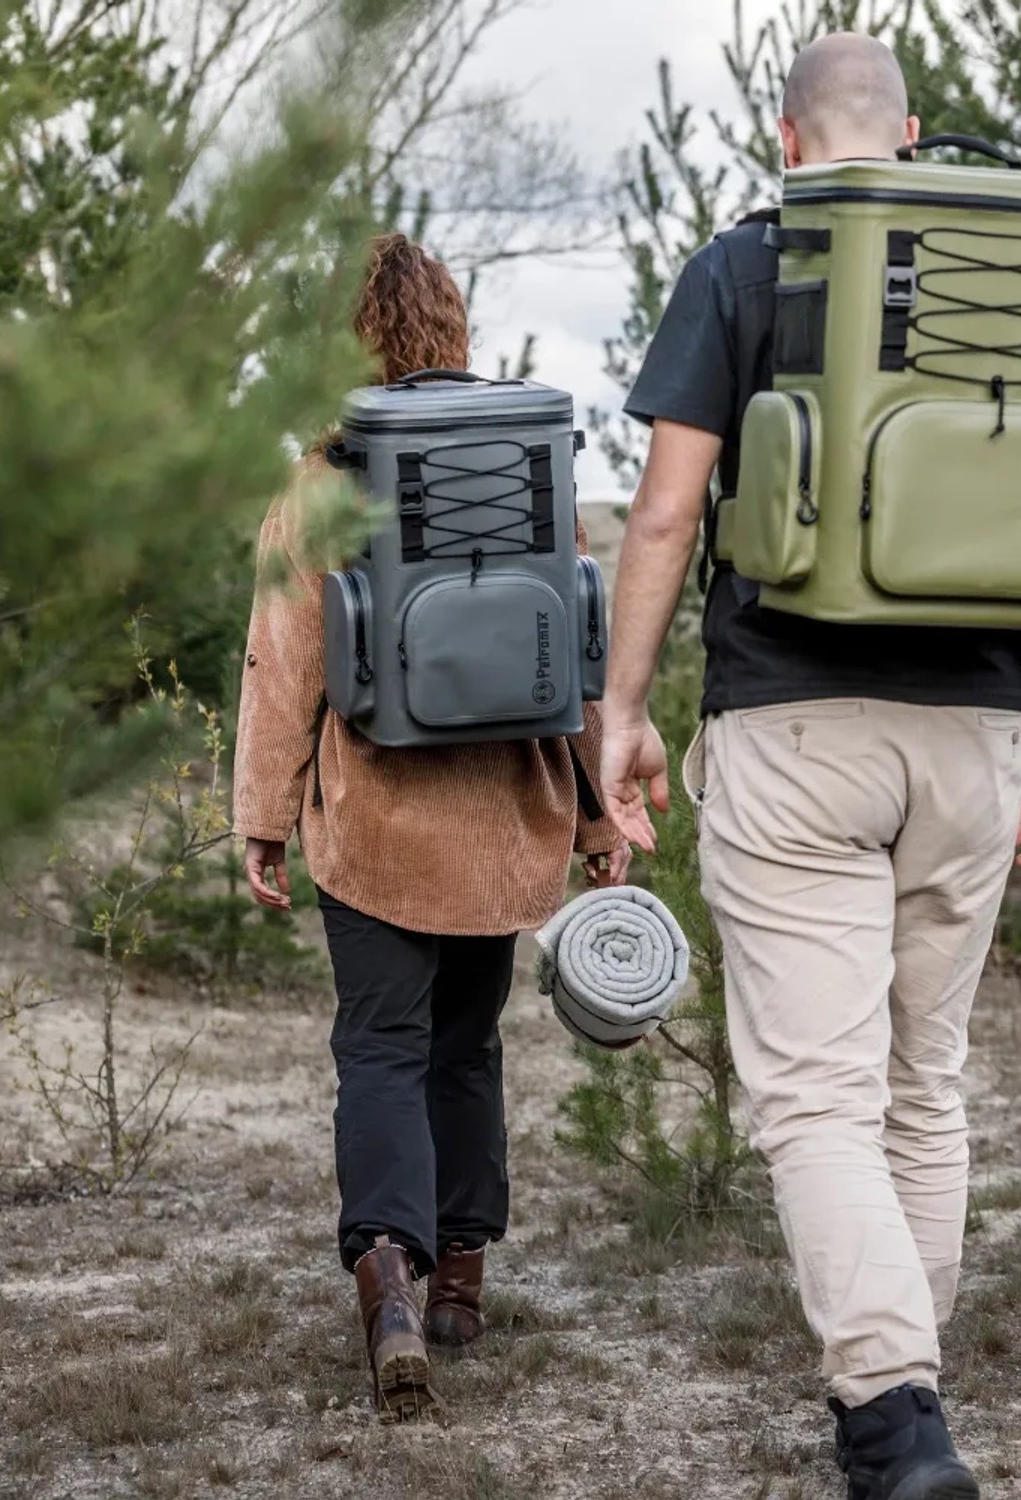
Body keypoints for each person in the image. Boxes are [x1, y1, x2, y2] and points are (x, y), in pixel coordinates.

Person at [598, 33, 1021, 1500]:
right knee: (922, 1086)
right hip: (978, 734)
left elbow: (669, 516)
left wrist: (620, 707)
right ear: (917, 131)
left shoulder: (743, 266)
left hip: (796, 728)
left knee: (816, 1100)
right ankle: (905, 1385)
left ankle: (894, 1421)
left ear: (788, 136)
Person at [233, 232, 629, 1422]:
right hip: (505, 818)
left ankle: (388, 1282)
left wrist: (260, 817)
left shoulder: (328, 474)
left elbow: (282, 662)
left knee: (381, 1048)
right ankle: (462, 1279)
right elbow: (582, 648)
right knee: (466, 1047)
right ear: (452, 328)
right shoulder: (523, 460)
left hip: (377, 823)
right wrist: (602, 810)